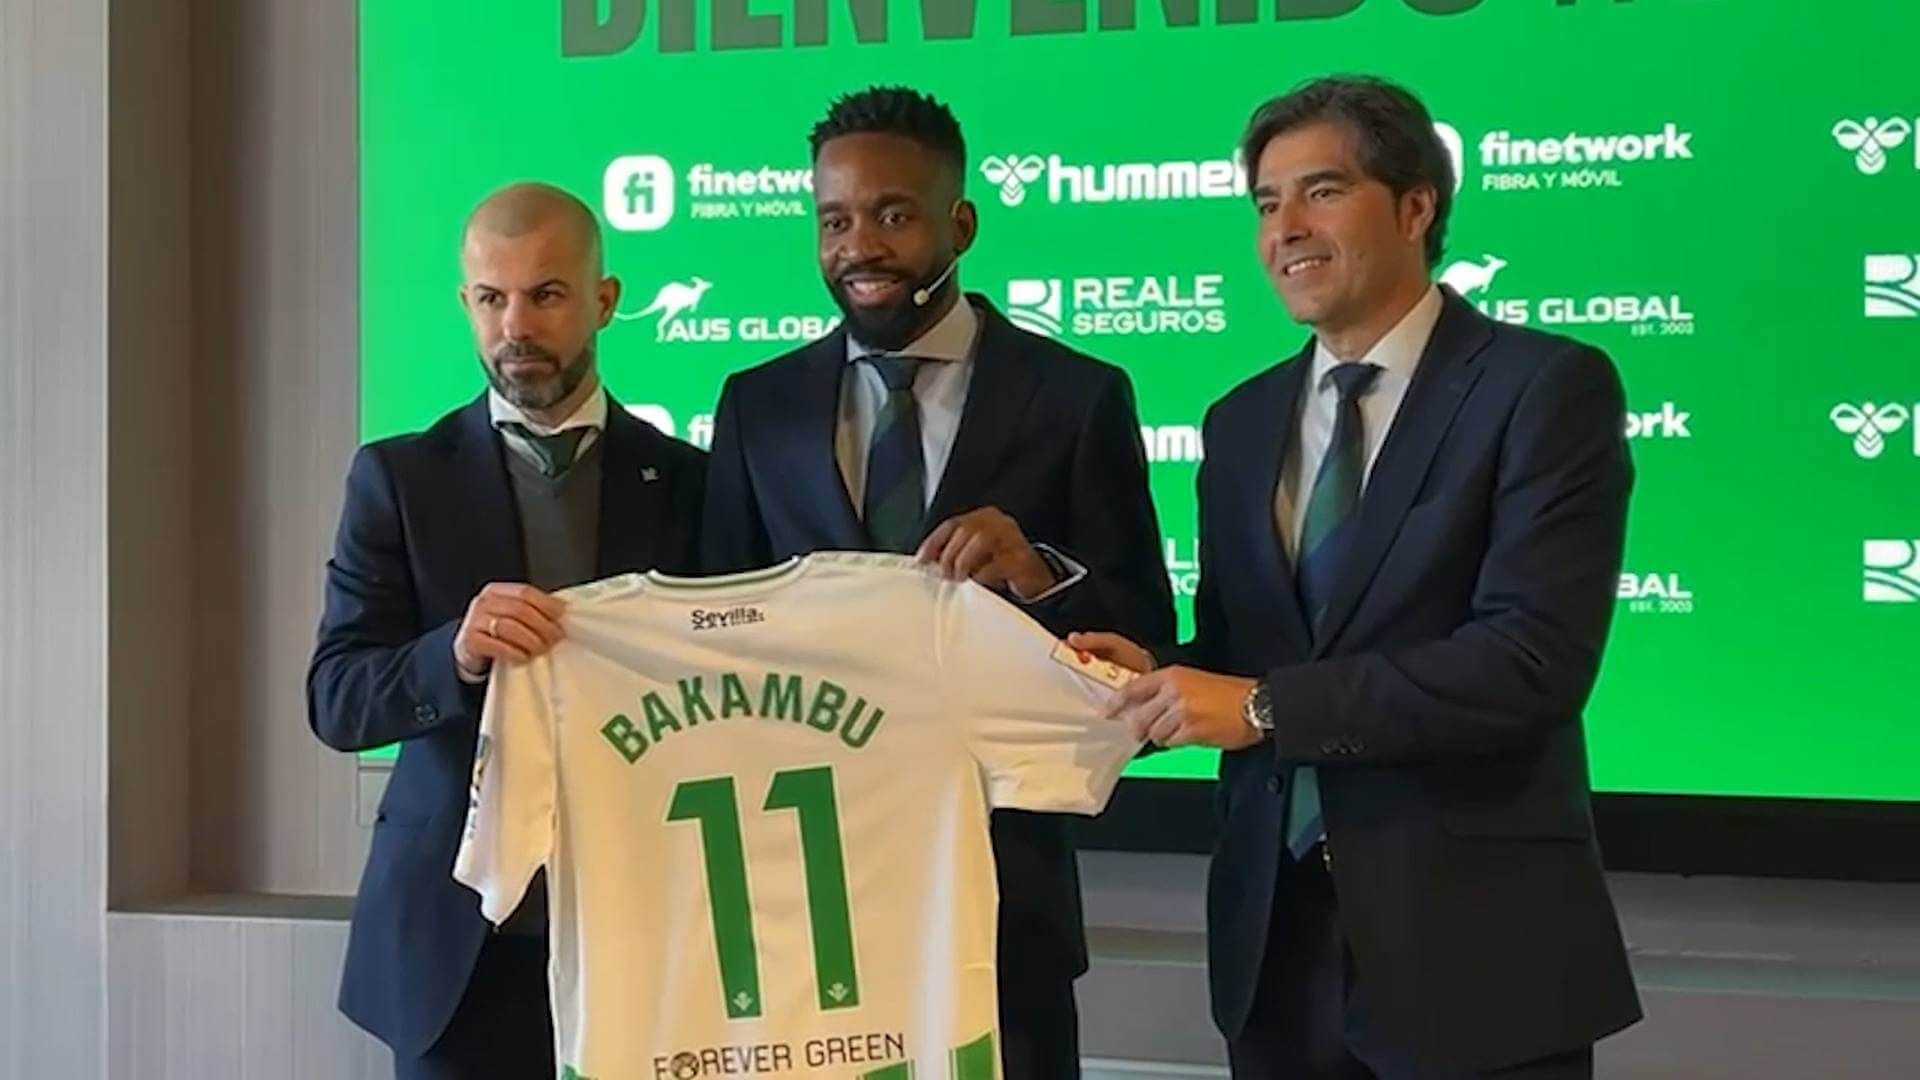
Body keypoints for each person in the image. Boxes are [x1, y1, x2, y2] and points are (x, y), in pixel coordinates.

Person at [1072, 76, 1642, 1078]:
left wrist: (1256, 707)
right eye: (1264, 203)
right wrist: (1155, 673)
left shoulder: (1542, 390)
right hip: (1273, 950)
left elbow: (1529, 663)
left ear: (1416, 205)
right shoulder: (1240, 421)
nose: (1285, 228)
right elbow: (1257, 652)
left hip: (1476, 958)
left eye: (1322, 191)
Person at [700, 86, 1174, 1078]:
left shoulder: (1078, 397)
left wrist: (1041, 577)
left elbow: (1145, 634)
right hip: (802, 913)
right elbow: (711, 641)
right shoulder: (760, 407)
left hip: (1007, 907)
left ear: (960, 222)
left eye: (893, 214)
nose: (859, 245)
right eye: (835, 220)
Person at [306, 182, 706, 1079]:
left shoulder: (691, 483)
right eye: (492, 299)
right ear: (466, 304)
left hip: (646, 934)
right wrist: (451, 653)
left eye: (547, 295)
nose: (516, 326)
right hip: (458, 952)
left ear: (605, 301)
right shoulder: (398, 480)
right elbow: (336, 699)